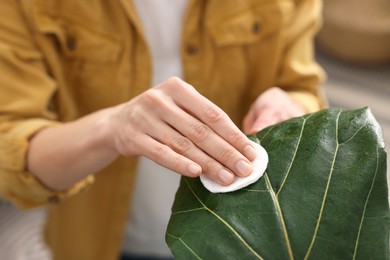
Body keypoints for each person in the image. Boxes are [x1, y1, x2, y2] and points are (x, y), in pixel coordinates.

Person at [0, 0, 327, 259]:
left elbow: (303, 88)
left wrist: (291, 106)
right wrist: (111, 129)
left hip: (243, 238)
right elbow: (10, 151)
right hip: (102, 241)